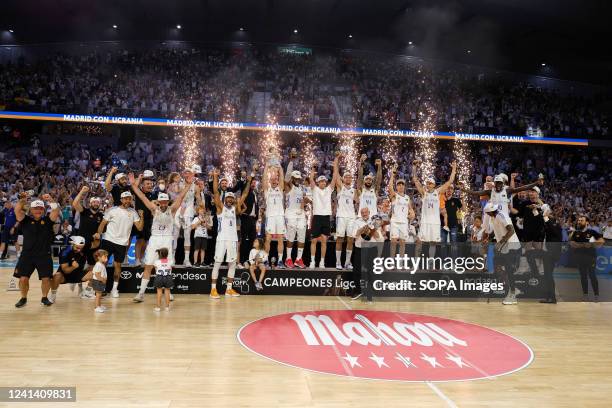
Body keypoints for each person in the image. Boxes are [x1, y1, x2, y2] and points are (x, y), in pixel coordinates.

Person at [130, 173, 191, 303]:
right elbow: (141, 196)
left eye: (165, 201)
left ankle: (168, 292)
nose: (163, 203)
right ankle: (141, 293)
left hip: (167, 240)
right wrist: (133, 186)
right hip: (155, 239)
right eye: (161, 201)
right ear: (159, 201)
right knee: (148, 266)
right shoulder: (154, 209)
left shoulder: (172, 209)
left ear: (168, 201)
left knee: (166, 267)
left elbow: (180, 196)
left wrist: (189, 184)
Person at [209, 167, 252, 299]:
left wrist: (249, 182)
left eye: (231, 198)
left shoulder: (235, 210)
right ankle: (213, 290)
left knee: (232, 264)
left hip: (233, 240)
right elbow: (216, 192)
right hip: (222, 239)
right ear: (225, 199)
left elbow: (244, 194)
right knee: (217, 263)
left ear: (233, 200)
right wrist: (216, 176)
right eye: (227, 197)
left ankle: (228, 289)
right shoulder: (220, 208)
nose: (229, 199)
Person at [13, 194, 61, 308]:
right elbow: (17, 210)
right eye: (35, 208)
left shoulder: (48, 220)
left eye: (40, 208)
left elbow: (56, 210)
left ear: (44, 210)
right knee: (23, 278)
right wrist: (23, 200)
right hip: (27, 255)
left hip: (44, 254)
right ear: (31, 210)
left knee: (46, 278)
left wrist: (51, 199)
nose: (38, 210)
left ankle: (44, 297)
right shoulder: (25, 220)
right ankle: (23, 298)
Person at [94, 191, 144, 297]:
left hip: (121, 244)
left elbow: (139, 227)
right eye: (125, 199)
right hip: (108, 240)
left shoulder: (133, 212)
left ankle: (114, 289)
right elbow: (102, 224)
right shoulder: (112, 210)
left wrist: (142, 216)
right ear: (121, 200)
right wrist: (99, 235)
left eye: (129, 199)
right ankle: (99, 288)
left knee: (118, 266)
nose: (127, 200)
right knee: (102, 265)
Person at [411, 160, 457, 255]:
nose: (428, 184)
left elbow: (450, 181)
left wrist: (454, 169)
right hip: (425, 221)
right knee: (420, 241)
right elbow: (415, 180)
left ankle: (431, 262)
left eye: (430, 183)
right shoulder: (424, 192)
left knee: (433, 243)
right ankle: (415, 261)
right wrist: (414, 168)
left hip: (435, 222)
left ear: (434, 185)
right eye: (427, 183)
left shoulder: (438, 192)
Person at [483, 202, 522, 305]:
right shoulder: (493, 217)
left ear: (489, 212)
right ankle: (513, 289)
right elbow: (496, 230)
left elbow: (511, 230)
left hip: (512, 247)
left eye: (487, 213)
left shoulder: (501, 216)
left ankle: (513, 294)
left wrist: (500, 242)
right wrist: (489, 238)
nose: (487, 215)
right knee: (498, 266)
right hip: (504, 247)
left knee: (509, 270)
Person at [308, 153, 340, 268]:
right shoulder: (315, 189)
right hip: (317, 217)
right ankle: (312, 261)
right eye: (321, 181)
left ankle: (322, 261)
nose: (323, 183)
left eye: (324, 181)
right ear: (318, 182)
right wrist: (313, 168)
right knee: (314, 241)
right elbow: (311, 178)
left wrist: (336, 163)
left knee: (324, 241)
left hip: (326, 217)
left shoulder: (329, 190)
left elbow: (335, 177)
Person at [48, 236, 94, 303]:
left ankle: (86, 293)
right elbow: (65, 270)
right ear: (72, 244)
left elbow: (95, 245)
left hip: (78, 274)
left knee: (95, 272)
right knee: (57, 275)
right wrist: (73, 267)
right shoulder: (65, 252)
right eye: (77, 248)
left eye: (81, 248)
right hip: (65, 275)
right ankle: (53, 295)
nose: (79, 250)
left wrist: (96, 237)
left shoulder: (83, 249)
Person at [569, 215, 604, 302]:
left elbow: (601, 241)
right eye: (579, 220)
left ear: (587, 222)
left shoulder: (592, 232)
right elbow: (571, 242)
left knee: (592, 275)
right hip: (580, 257)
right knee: (583, 276)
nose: (579, 222)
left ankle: (596, 295)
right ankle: (585, 295)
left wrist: (592, 244)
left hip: (590, 257)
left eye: (582, 220)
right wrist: (579, 245)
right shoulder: (576, 232)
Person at [72, 185, 104, 274]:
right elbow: (75, 204)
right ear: (90, 204)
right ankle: (77, 280)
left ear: (99, 204)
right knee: (78, 263)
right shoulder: (84, 211)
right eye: (94, 202)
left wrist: (99, 233)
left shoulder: (101, 216)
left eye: (97, 202)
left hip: (94, 242)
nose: (95, 204)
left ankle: (87, 284)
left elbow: (102, 228)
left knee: (93, 265)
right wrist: (82, 191)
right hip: (82, 242)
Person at [284, 158, 308, 268]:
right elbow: (287, 176)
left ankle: (298, 259)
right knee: (291, 237)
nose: (298, 180)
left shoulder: (302, 188)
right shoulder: (288, 186)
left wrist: (306, 202)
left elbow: (303, 202)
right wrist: (291, 161)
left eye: (299, 178)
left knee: (302, 237)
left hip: (301, 213)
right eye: (295, 178)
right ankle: (288, 258)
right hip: (290, 213)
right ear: (292, 178)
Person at [262, 160, 286, 268]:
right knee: (268, 238)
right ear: (270, 181)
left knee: (280, 237)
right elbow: (264, 180)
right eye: (272, 179)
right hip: (270, 217)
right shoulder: (267, 190)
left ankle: (280, 261)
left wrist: (279, 167)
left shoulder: (280, 189)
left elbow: (281, 178)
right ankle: (266, 260)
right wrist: (267, 167)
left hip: (280, 216)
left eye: (276, 179)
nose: (274, 181)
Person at [388, 165, 415, 257]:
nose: (400, 186)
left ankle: (401, 262)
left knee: (403, 242)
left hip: (404, 222)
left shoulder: (407, 198)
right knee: (394, 241)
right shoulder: (394, 195)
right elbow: (390, 187)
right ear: (397, 187)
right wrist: (392, 175)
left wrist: (412, 213)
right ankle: (391, 262)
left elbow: (410, 209)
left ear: (404, 186)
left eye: (402, 184)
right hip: (395, 221)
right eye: (399, 184)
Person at [334, 168, 358, 270]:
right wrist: (336, 161)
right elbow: (336, 172)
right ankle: (338, 262)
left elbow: (356, 202)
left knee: (350, 240)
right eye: (346, 176)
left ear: (352, 179)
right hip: (341, 216)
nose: (348, 178)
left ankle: (347, 262)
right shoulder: (340, 187)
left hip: (351, 217)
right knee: (339, 239)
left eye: (350, 176)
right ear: (342, 179)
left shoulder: (354, 191)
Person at [540, 208, 562, 303]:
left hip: (551, 254)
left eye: (550, 216)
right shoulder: (548, 226)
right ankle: (549, 297)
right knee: (547, 275)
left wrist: (545, 217)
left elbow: (552, 229)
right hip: (546, 253)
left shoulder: (555, 225)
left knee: (548, 275)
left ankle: (552, 298)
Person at [356, 155, 382, 220]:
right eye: (367, 179)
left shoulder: (374, 191)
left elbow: (378, 180)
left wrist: (379, 166)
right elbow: (359, 177)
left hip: (373, 217)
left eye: (370, 180)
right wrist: (361, 164)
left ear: (372, 182)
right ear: (364, 181)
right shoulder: (361, 190)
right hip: (361, 217)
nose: (368, 181)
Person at [153, 247, 174, 312]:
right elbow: (171, 269)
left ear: (159, 254)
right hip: (168, 277)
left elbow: (156, 269)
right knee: (167, 292)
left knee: (159, 292)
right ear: (167, 254)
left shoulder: (156, 262)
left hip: (159, 277)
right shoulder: (171, 261)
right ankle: (167, 307)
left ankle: (158, 307)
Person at [91, 249, 109, 313]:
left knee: (100, 294)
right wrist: (102, 280)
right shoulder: (98, 264)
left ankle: (99, 305)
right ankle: (96, 307)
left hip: (100, 281)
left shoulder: (101, 264)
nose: (106, 258)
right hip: (98, 282)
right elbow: (97, 274)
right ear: (99, 257)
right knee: (98, 295)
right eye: (105, 257)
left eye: (107, 256)